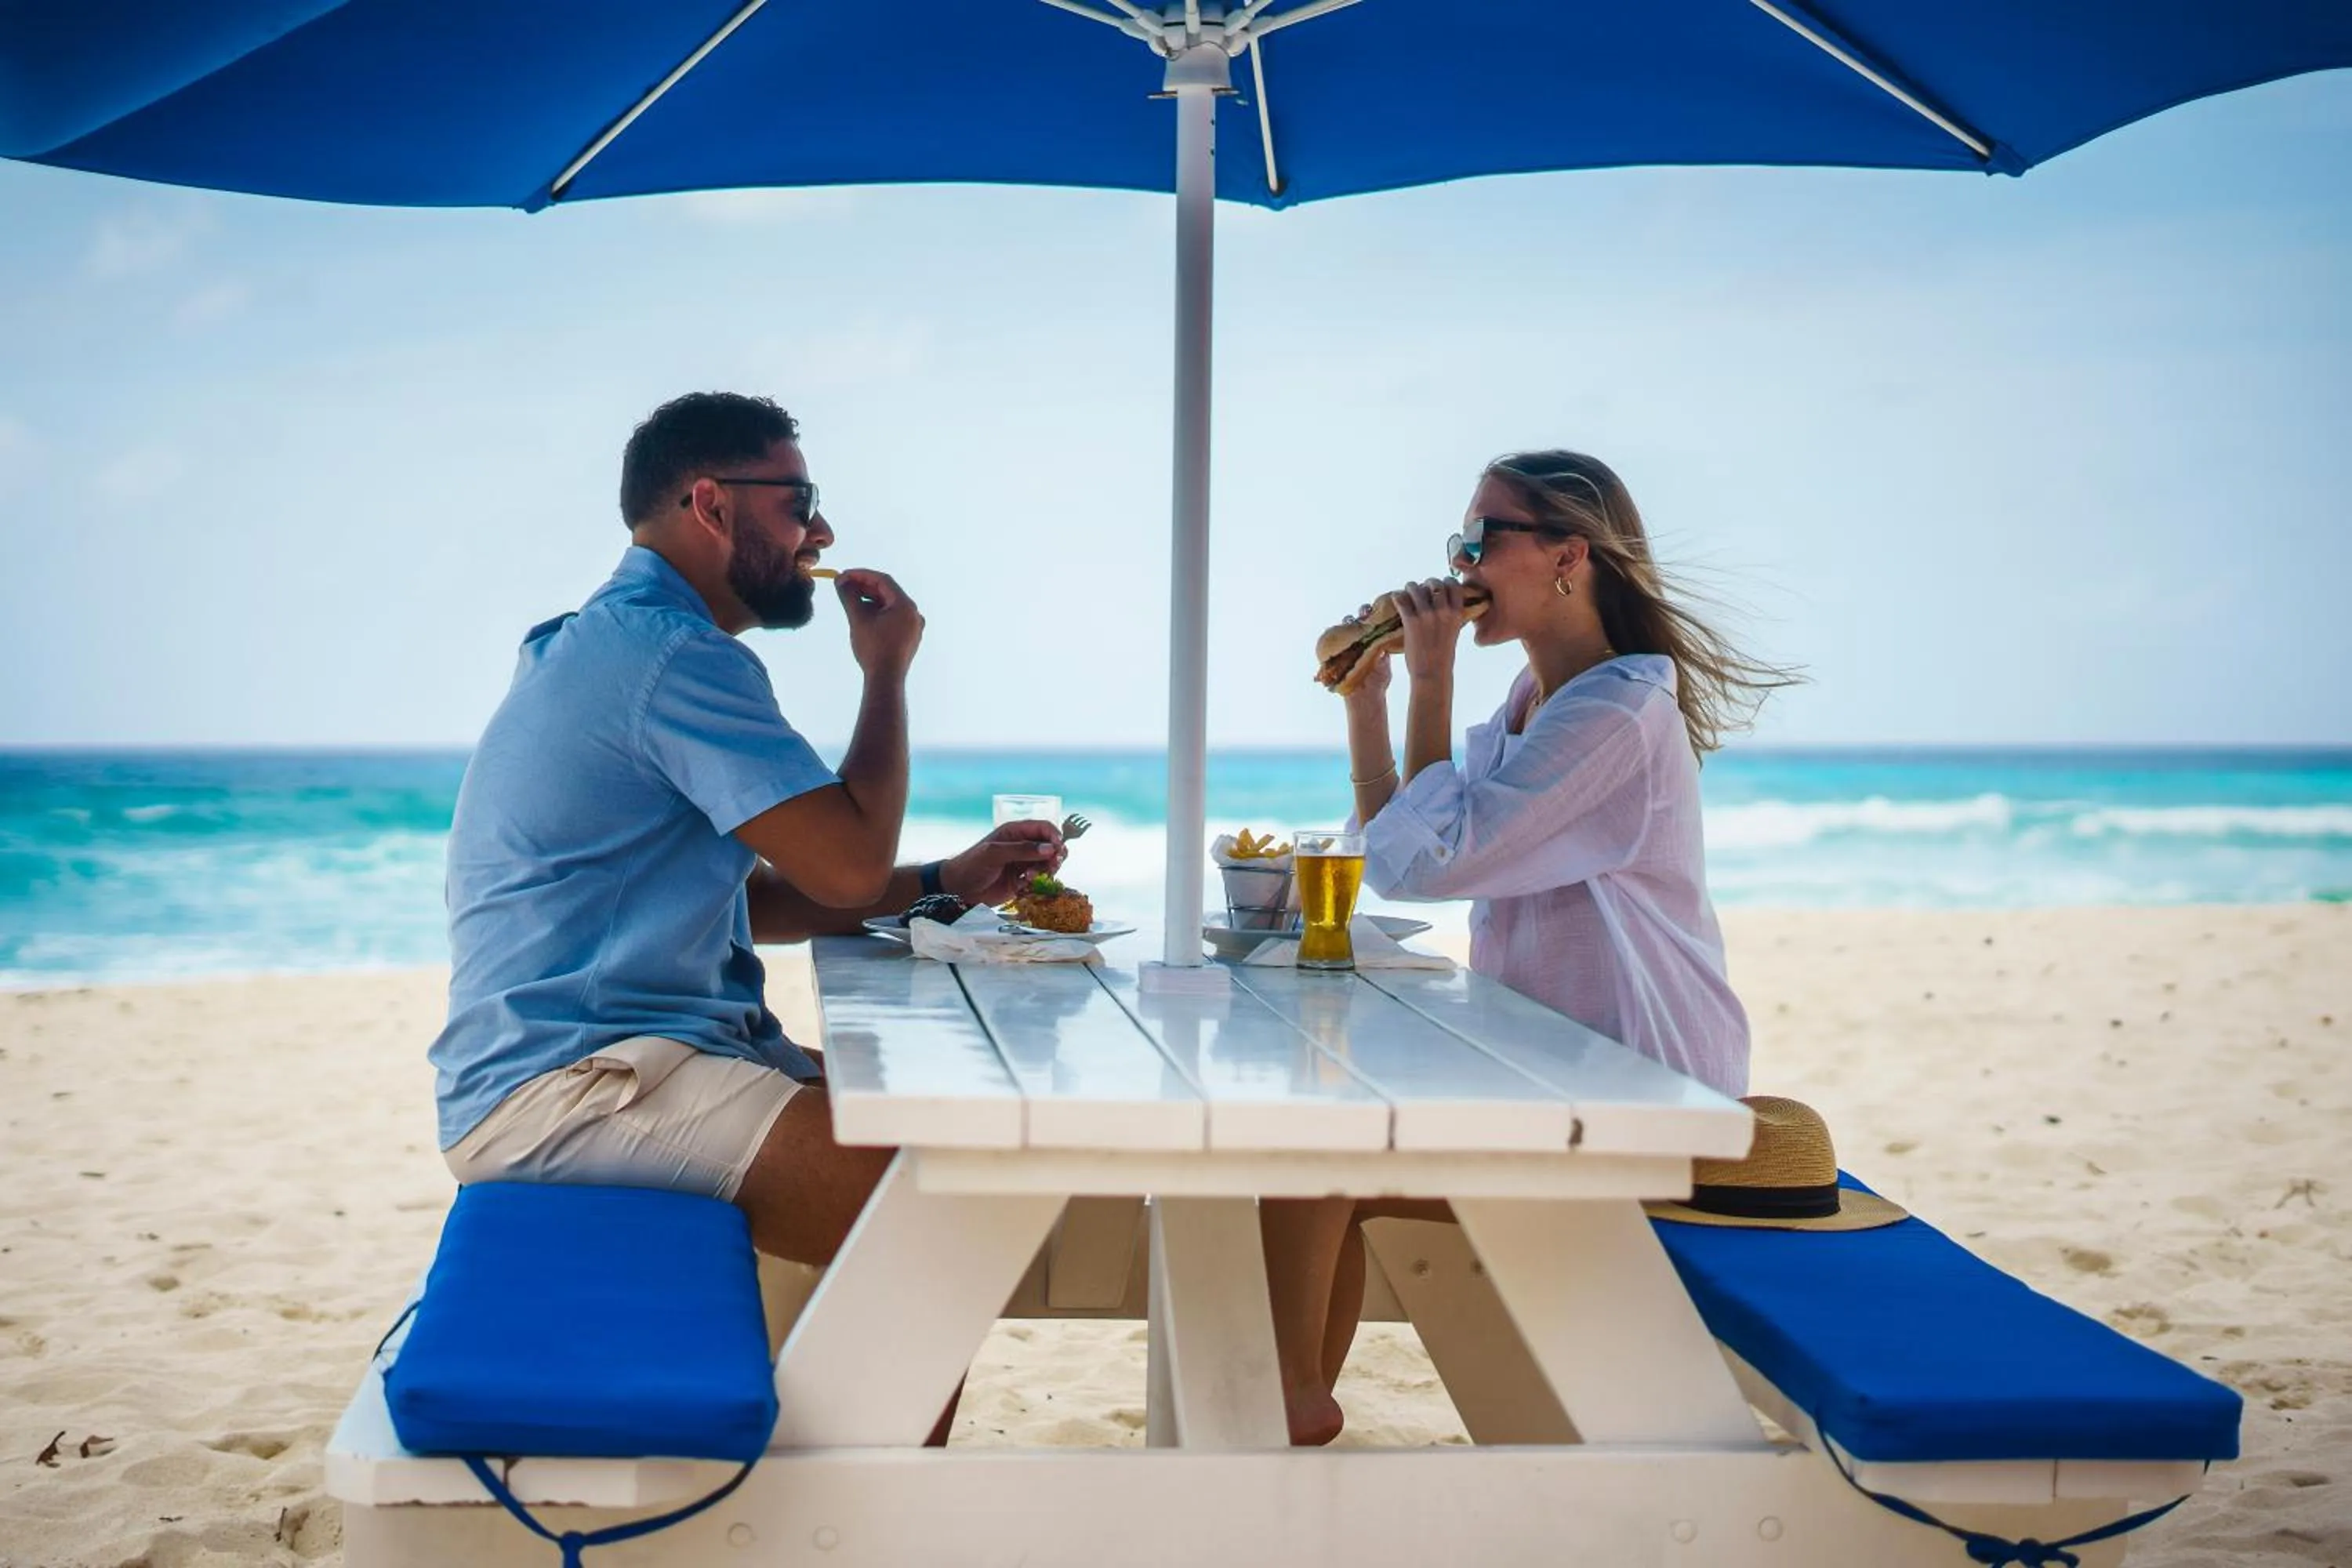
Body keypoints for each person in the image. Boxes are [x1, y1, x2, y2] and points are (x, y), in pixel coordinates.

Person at [429, 391, 1065, 1281]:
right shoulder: (675, 655)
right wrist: (885, 673)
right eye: (798, 502)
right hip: (576, 1090)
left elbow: (750, 900)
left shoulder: (601, 643)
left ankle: (819, 1414)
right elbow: (847, 869)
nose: (824, 531)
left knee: (923, 1131)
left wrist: (944, 881)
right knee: (939, 1197)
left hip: (577, 1070)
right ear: (711, 503)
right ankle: (853, 1424)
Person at [1261, 448, 1795, 1444]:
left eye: (1481, 537)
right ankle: (1292, 1406)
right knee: (1307, 1149)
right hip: (1554, 1075)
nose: (1458, 561)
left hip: (1643, 1085)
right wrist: (1369, 701)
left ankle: (1288, 1408)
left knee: (1311, 1158)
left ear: (1567, 557)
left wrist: (1429, 674)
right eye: (1456, 540)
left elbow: (1433, 861)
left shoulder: (1619, 711)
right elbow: (1393, 850)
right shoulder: (1531, 706)